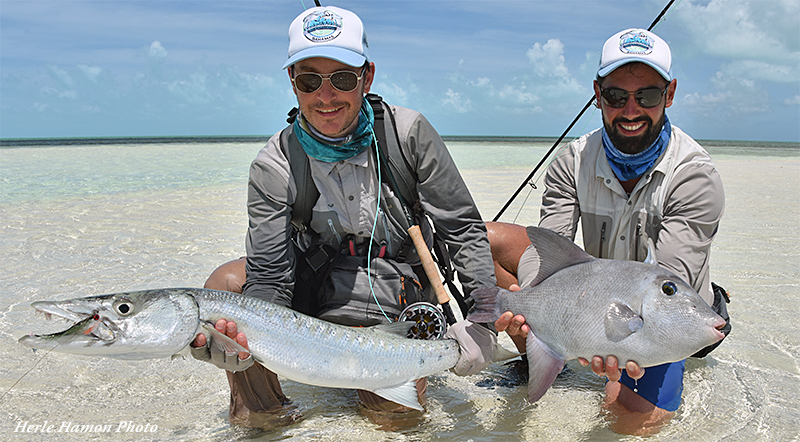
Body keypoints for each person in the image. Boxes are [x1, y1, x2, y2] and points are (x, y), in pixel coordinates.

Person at [189, 5, 499, 429]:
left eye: (342, 79)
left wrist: (483, 319)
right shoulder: (273, 164)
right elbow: (270, 277)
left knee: (395, 422)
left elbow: (460, 227)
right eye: (309, 80)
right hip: (314, 290)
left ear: (367, 77)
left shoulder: (408, 134)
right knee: (226, 286)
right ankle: (265, 419)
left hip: (400, 293)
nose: (326, 96)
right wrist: (246, 339)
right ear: (292, 83)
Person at [489, 28, 726, 435]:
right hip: (591, 290)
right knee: (486, 237)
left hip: (661, 322)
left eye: (647, 96)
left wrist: (611, 341)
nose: (631, 110)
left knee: (628, 425)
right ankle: (545, 351)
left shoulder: (695, 176)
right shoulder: (572, 161)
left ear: (669, 95)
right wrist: (525, 306)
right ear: (598, 94)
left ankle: (568, 346)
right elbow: (549, 252)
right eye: (617, 96)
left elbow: (665, 284)